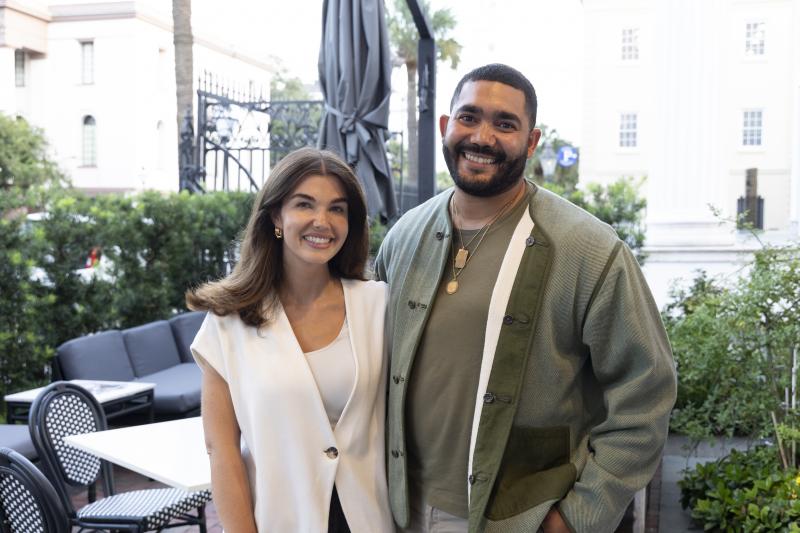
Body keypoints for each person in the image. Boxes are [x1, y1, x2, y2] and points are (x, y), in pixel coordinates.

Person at [374, 64, 677, 533]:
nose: (482, 137)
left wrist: (578, 516)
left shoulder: (588, 249)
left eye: (505, 124)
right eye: (469, 117)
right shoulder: (404, 236)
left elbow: (647, 391)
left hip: (515, 517)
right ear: (446, 126)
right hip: (396, 506)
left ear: (531, 142)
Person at [187, 147, 394, 532]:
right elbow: (221, 450)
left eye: (337, 209)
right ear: (275, 217)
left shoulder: (378, 305)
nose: (322, 221)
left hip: (371, 520)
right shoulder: (228, 323)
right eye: (304, 204)